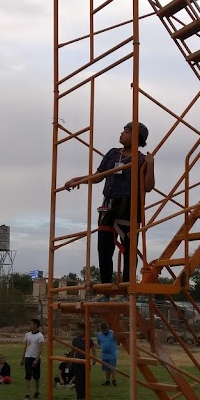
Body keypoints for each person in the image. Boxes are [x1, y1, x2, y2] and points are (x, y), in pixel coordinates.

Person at [64, 122, 156, 284]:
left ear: (136, 138)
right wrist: (78, 179)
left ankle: (127, 286)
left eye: (126, 132)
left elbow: (148, 187)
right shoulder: (113, 154)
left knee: (129, 247)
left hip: (129, 206)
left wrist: (151, 165)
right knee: (104, 246)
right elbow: (98, 177)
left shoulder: (141, 159)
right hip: (108, 205)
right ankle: (105, 287)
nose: (122, 133)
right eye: (123, 130)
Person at [71, 322, 93, 400]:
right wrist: (70, 360)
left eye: (81, 330)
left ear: (85, 331)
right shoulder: (75, 340)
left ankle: (84, 398)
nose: (79, 331)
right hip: (77, 362)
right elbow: (72, 351)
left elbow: (93, 350)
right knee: (78, 381)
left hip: (86, 363)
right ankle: (79, 399)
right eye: (78, 330)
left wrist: (93, 361)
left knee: (85, 381)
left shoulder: (89, 340)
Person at [22, 318, 45, 400]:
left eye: (31, 324)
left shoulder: (40, 336)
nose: (30, 325)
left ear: (35, 325)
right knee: (27, 376)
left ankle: (37, 391)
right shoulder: (27, 334)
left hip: (35, 358)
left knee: (36, 377)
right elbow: (25, 346)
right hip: (28, 357)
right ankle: (27, 394)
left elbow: (40, 349)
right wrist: (23, 358)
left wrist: (36, 360)